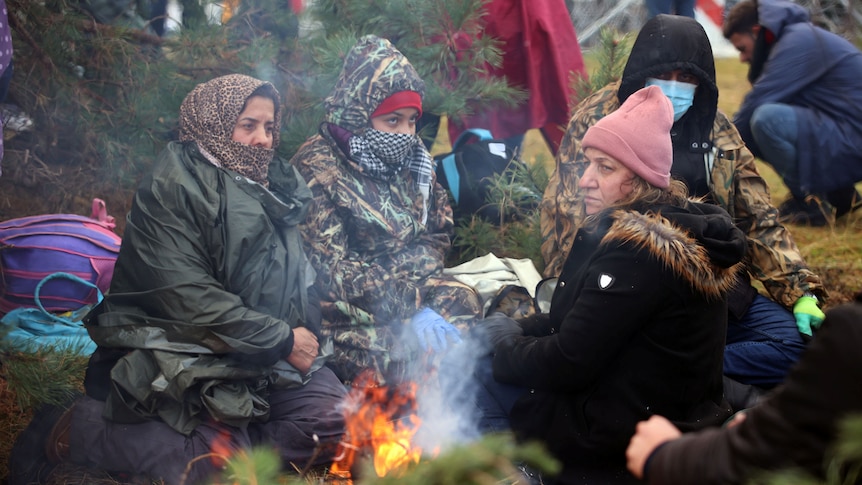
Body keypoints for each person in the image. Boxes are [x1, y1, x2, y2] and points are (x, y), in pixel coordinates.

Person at [8, 74, 347, 485]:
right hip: (181, 354)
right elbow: (187, 300)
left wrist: (302, 328)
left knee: (338, 420)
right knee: (209, 463)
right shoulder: (172, 189)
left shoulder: (274, 186)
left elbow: (300, 278)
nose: (263, 139)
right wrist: (283, 338)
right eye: (248, 125)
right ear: (213, 124)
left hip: (258, 359)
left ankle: (233, 447)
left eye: (270, 127)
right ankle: (77, 426)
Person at [540, 13, 826, 400]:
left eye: (687, 78)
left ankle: (675, 372)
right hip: (623, 286)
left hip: (709, 290)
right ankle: (694, 382)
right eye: (664, 74)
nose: (674, 88)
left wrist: (800, 289)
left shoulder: (716, 130)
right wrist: (571, 298)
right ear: (642, 71)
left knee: (802, 350)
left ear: (702, 83)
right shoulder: (598, 118)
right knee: (594, 352)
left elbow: (757, 218)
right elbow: (566, 212)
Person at [474, 85, 746, 480]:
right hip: (653, 414)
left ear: (637, 181)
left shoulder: (639, 254)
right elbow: (575, 321)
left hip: (621, 440)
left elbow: (569, 361)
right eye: (588, 164)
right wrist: (515, 326)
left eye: (604, 167)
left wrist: (502, 346)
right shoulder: (662, 231)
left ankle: (530, 474)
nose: (584, 180)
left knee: (478, 379)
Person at [288, 35, 482, 386]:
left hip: (412, 288)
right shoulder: (317, 167)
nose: (406, 133)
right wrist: (407, 304)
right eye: (393, 121)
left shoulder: (413, 159)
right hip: (343, 308)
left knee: (465, 311)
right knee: (399, 354)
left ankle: (453, 421)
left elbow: (437, 232)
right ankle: (392, 427)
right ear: (360, 116)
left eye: (411, 121)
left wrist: (413, 295)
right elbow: (330, 270)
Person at [626, 292, 862, 484]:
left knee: (795, 349)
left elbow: (774, 447)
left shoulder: (850, 335)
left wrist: (664, 457)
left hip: (733, 298)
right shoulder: (849, 332)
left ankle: (699, 377)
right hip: (704, 298)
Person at [723, 0, 862, 226]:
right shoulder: (798, 37)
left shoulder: (797, 41)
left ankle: (810, 202)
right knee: (758, 125)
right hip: (846, 131)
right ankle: (840, 195)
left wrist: (715, 145)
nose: (742, 58)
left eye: (742, 48)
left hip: (853, 136)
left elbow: (756, 103)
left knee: (765, 120)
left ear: (757, 31)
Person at [441, 0, 587, 155]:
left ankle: (505, 162)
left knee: (549, 96)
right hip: (484, 25)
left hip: (522, 21)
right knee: (492, 128)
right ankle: (499, 163)